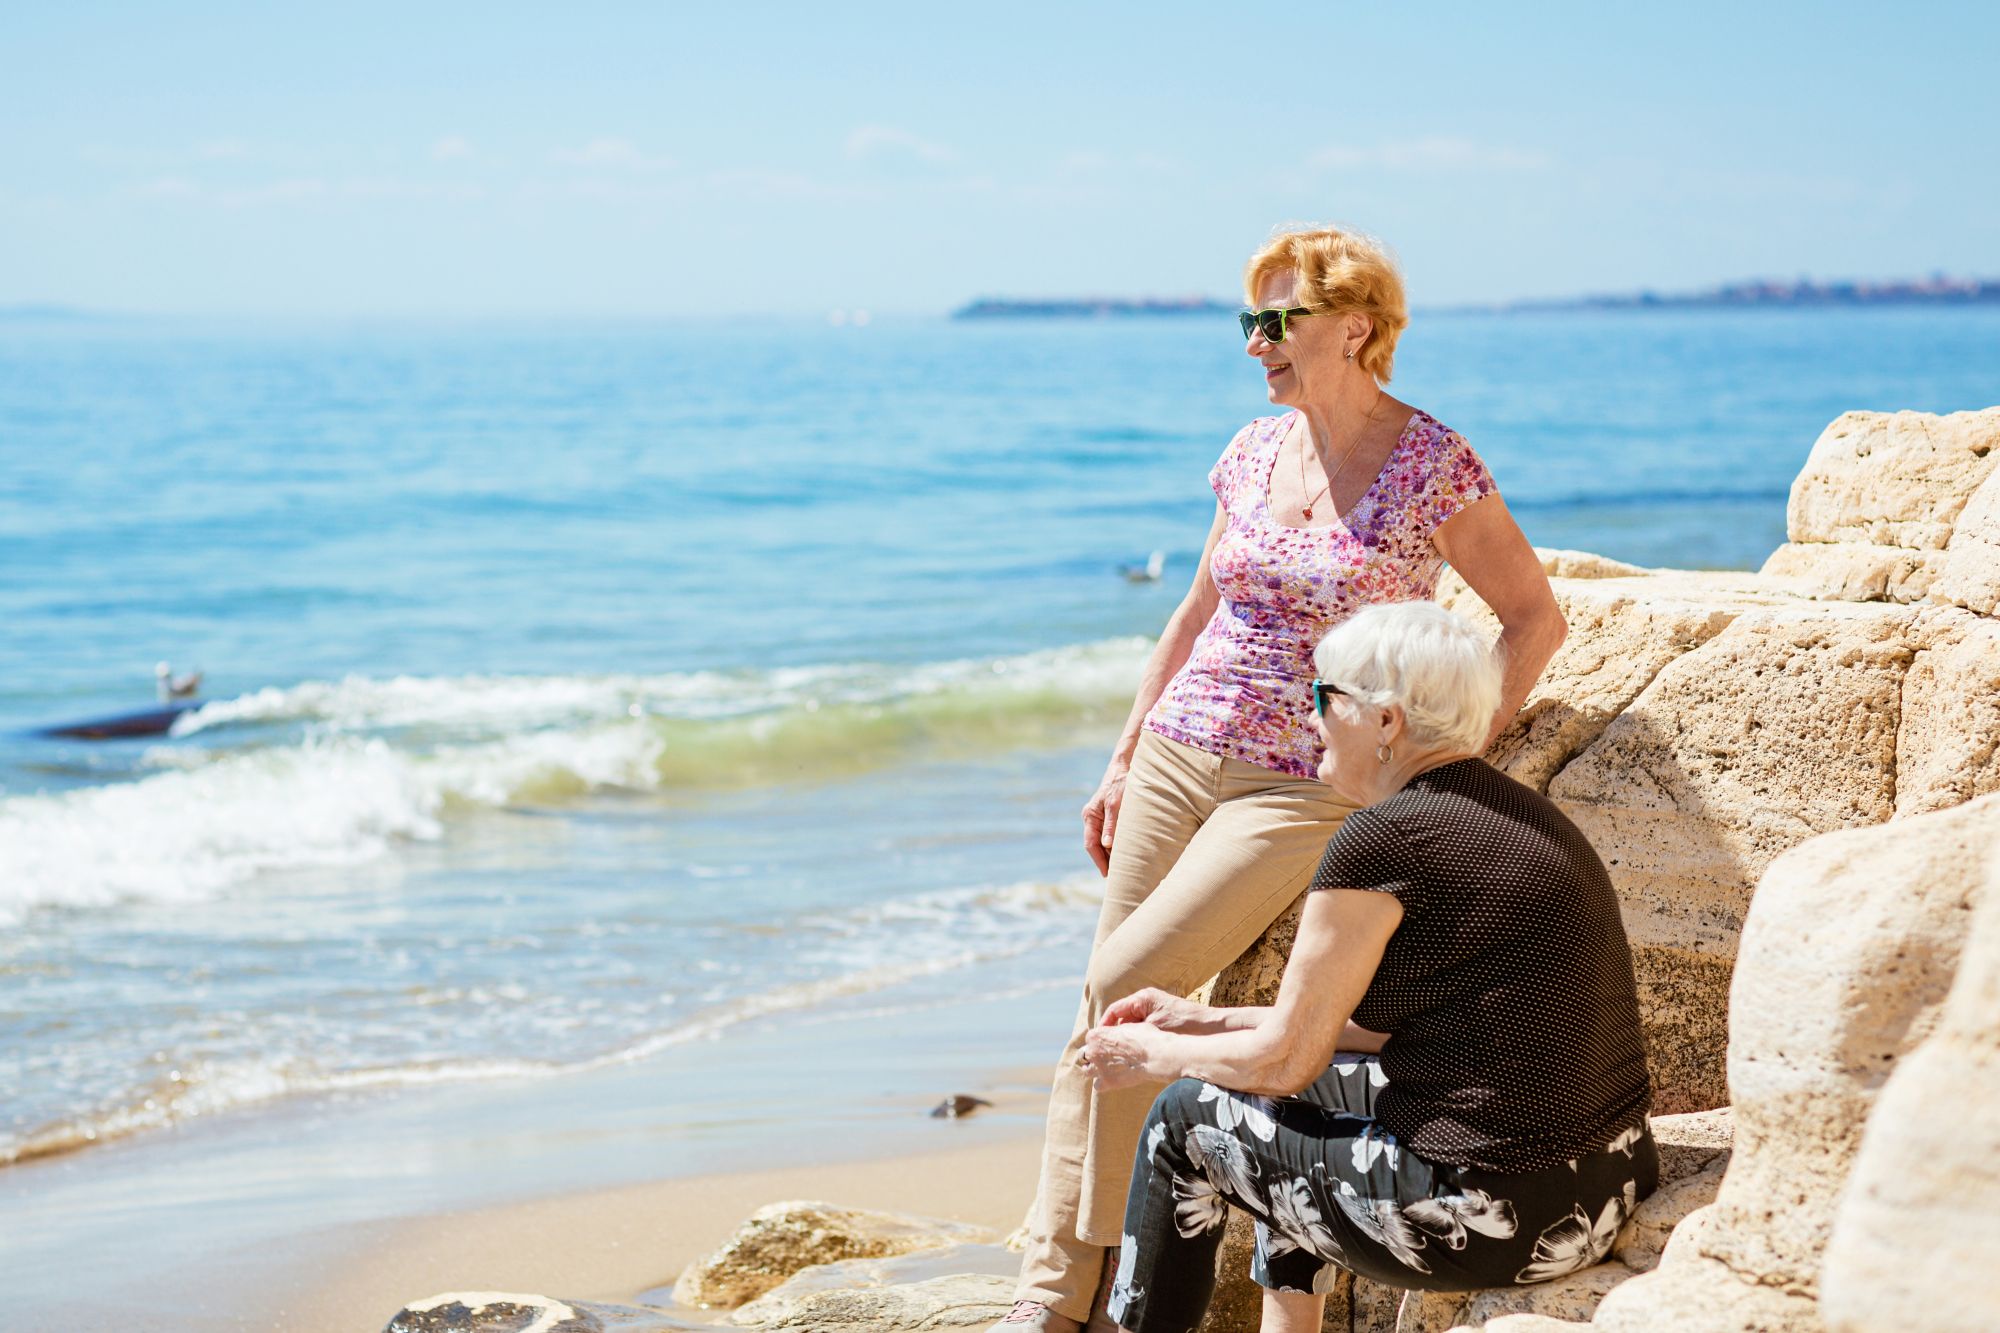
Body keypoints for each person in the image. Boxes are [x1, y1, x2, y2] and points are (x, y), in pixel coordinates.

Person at [997, 226, 1569, 1332]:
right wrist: (1122, 753)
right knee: (1098, 998)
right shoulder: (1253, 448)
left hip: (1297, 779)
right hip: (1179, 744)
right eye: (1245, 322)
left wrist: (1443, 755)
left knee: (1129, 977)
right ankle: (1057, 1297)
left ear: (1354, 327)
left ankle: (1093, 1294)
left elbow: (1528, 618)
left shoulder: (1428, 464)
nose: (1254, 344)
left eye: (1276, 321)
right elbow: (1196, 607)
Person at [1078, 601, 1656, 1333]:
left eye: (1323, 696)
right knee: (1269, 1094)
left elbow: (1285, 1058)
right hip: (1608, 1180)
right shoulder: (1521, 813)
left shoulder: (1382, 841)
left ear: (1386, 721)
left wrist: (1154, 1053)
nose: (1309, 716)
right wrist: (1204, 1019)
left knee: (1182, 1117)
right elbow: (1359, 1032)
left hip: (1494, 1216)